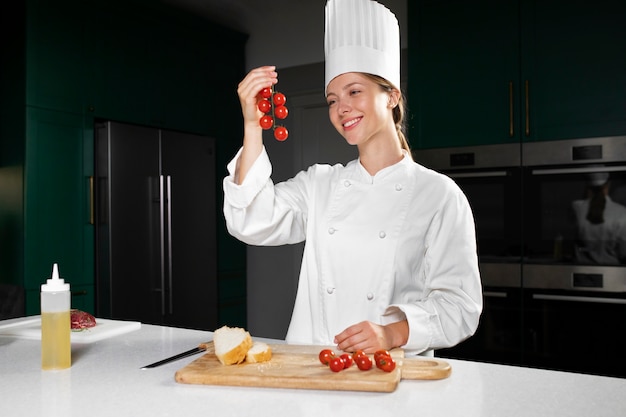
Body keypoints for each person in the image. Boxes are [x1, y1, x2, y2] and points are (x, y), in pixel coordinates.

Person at [223, 0, 482, 356]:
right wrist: (253, 126)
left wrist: (391, 334)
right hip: (313, 377)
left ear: (391, 96)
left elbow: (461, 308)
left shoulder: (438, 194)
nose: (341, 108)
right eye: (332, 99)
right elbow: (250, 220)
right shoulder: (319, 185)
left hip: (391, 384)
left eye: (354, 92)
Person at [572, 172, 626, 265]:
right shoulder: (622, 211)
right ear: (609, 184)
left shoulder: (576, 207)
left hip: (581, 272)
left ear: (587, 185)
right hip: (611, 273)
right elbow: (623, 253)